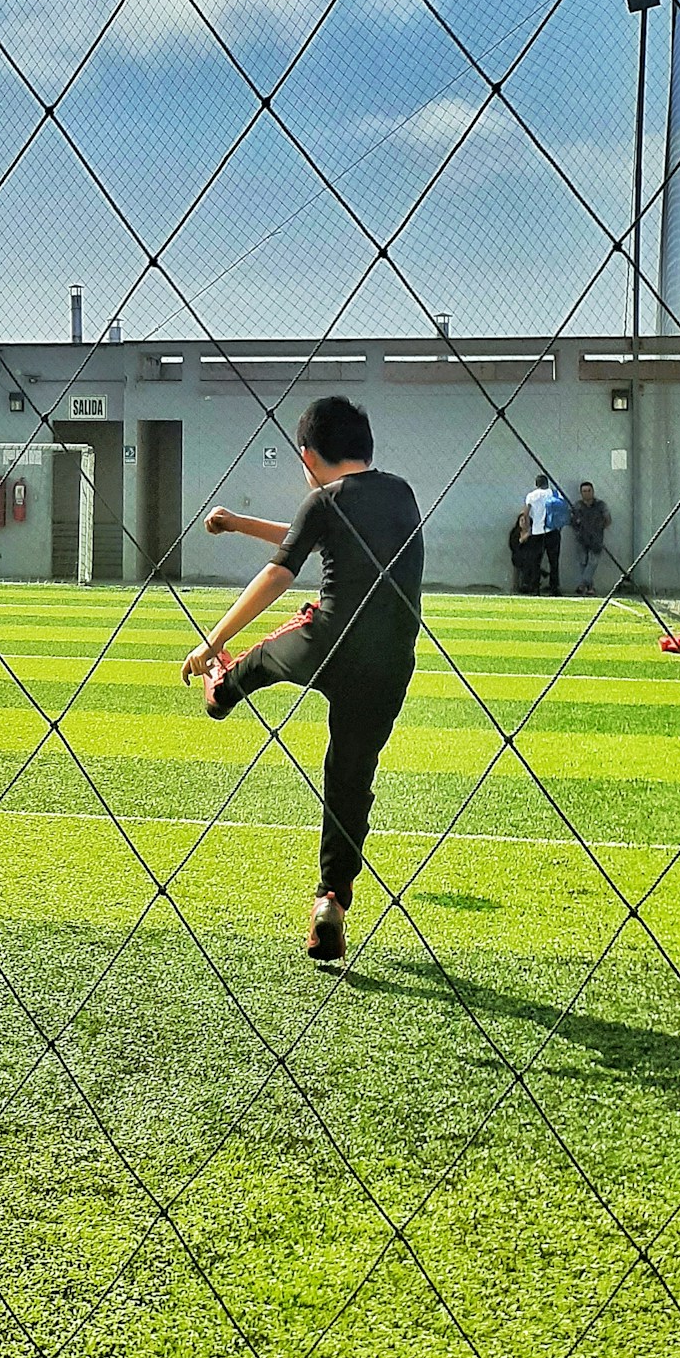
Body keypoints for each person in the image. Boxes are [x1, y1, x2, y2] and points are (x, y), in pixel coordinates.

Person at [182, 395, 424, 968]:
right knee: (349, 779)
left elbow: (281, 569)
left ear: (307, 456)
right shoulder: (402, 494)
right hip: (391, 659)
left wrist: (212, 640)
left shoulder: (324, 500)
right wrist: (238, 524)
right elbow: (310, 533)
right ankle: (331, 900)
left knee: (267, 654)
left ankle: (221, 685)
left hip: (327, 642)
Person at [522, 470, 565, 595]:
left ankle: (535, 587)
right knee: (554, 561)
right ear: (547, 483)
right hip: (552, 530)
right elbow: (561, 511)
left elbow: (525, 514)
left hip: (537, 532)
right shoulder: (555, 493)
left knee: (535, 561)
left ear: (536, 484)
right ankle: (554, 588)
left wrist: (526, 530)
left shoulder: (531, 496)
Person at [570, 481, 612, 594]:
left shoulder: (600, 505)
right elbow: (572, 521)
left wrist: (599, 528)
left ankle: (582, 585)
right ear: (581, 493)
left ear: (593, 491)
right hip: (581, 539)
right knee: (583, 563)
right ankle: (590, 588)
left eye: (589, 491)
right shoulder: (577, 506)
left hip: (596, 539)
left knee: (592, 563)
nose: (587, 493)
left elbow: (608, 519)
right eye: (584, 491)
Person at [507, 509, 533, 593]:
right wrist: (521, 540)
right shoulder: (515, 532)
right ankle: (518, 586)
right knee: (520, 562)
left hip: (530, 557)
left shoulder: (533, 533)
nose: (524, 523)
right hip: (518, 557)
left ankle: (528, 585)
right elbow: (513, 546)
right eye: (522, 520)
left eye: (526, 520)